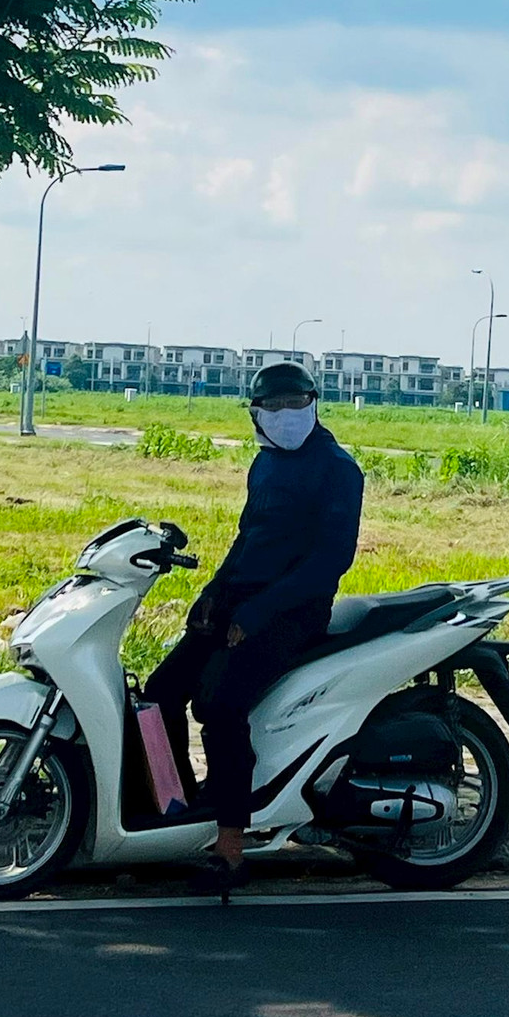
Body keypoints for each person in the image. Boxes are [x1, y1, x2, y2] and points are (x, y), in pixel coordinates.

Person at [143, 360, 364, 896]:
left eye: (297, 404)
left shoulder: (338, 469)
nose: (287, 415)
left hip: (294, 612)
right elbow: (248, 540)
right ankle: (175, 803)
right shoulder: (265, 464)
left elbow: (328, 563)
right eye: (275, 406)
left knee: (220, 705)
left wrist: (256, 614)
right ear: (256, 415)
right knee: (159, 693)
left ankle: (230, 846)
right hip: (241, 602)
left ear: (313, 403)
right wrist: (212, 595)